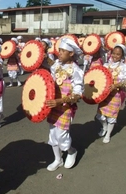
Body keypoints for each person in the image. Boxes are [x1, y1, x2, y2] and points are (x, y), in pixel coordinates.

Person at [45, 38, 84, 171]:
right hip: (52, 104)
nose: (59, 53)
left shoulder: (76, 71)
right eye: (59, 50)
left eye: (63, 51)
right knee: (52, 133)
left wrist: (60, 101)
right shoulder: (56, 65)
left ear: (71, 53)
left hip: (66, 107)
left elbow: (78, 95)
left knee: (61, 134)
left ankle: (71, 151)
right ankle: (57, 159)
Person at [96, 44, 126, 143]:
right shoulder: (106, 65)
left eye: (118, 54)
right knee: (100, 115)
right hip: (104, 95)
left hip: (116, 95)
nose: (115, 56)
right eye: (114, 53)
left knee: (111, 116)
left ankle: (108, 134)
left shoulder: (125, 67)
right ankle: (104, 127)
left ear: (122, 55)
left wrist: (116, 85)